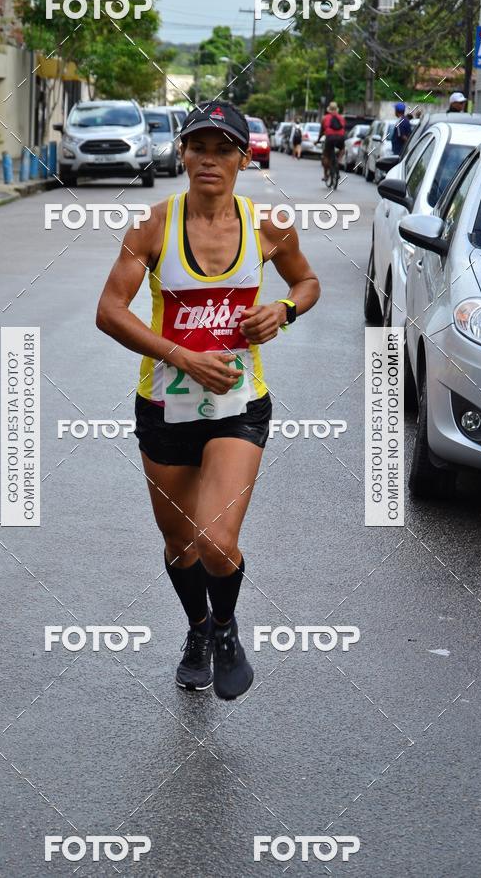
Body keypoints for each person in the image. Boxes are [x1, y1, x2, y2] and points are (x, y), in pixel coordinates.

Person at [96, 100, 320, 701]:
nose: (209, 160)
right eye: (199, 147)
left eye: (224, 149)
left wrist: (285, 309)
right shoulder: (153, 226)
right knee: (179, 543)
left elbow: (308, 281)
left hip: (240, 404)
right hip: (165, 408)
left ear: (244, 159)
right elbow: (108, 311)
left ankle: (225, 628)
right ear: (184, 154)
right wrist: (180, 355)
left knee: (217, 542)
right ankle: (197, 630)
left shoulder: (268, 225)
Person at [319, 101, 346, 182]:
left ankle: (325, 175)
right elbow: (343, 128)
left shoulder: (325, 118)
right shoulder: (341, 118)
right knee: (342, 149)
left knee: (326, 155)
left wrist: (317, 140)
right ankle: (338, 161)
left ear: (329, 109)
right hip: (340, 138)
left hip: (330, 138)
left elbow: (321, 131)